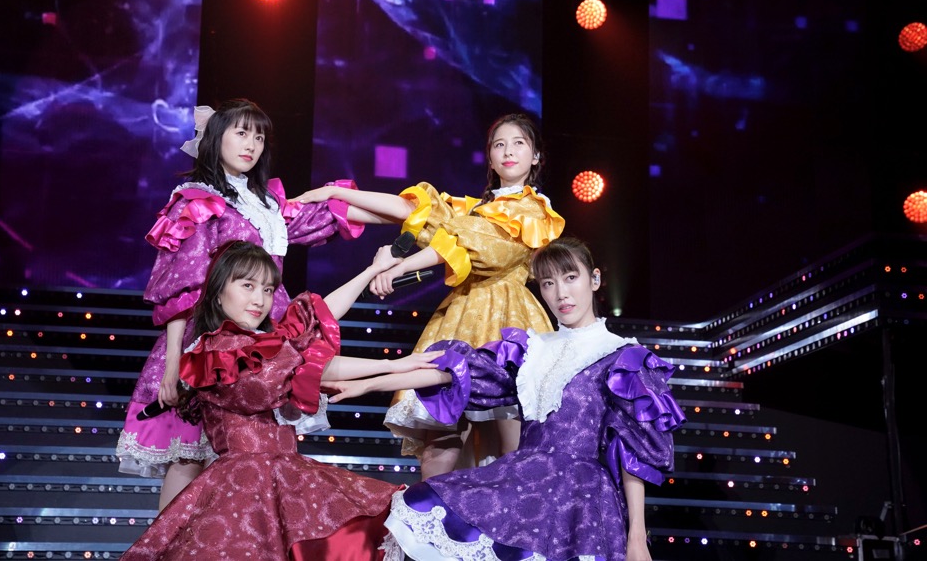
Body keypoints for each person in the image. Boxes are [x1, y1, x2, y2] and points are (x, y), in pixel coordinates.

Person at [324, 236, 687, 561]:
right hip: (524, 480)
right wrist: (370, 385)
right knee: (421, 501)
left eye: (570, 278)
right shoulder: (532, 349)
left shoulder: (623, 357)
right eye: (548, 283)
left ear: (594, 280)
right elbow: (451, 371)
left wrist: (636, 537)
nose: (561, 294)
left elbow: (631, 453)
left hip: (582, 500)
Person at [120, 239, 441, 561]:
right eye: (247, 286)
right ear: (218, 293)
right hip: (242, 486)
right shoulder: (213, 353)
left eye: (268, 289)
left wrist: (371, 271)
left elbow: (316, 315)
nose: (259, 300)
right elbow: (307, 365)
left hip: (285, 475)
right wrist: (392, 365)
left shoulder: (263, 345)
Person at [116, 99, 368, 510]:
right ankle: (167, 543)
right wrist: (173, 363)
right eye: (241, 133)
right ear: (216, 138)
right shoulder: (198, 201)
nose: (251, 144)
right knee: (189, 455)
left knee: (250, 448)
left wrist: (417, 217)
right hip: (207, 339)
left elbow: (327, 215)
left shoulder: (266, 204)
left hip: (264, 337)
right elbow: (182, 286)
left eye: (259, 136)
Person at [292, 113, 565, 478]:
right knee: (440, 439)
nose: (508, 151)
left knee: (512, 445)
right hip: (460, 315)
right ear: (490, 156)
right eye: (499, 144)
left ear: (535, 156)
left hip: (508, 325)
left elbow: (464, 245)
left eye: (519, 143)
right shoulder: (475, 210)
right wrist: (336, 194)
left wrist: (397, 267)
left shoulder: (533, 211)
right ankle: (429, 512)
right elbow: (415, 212)